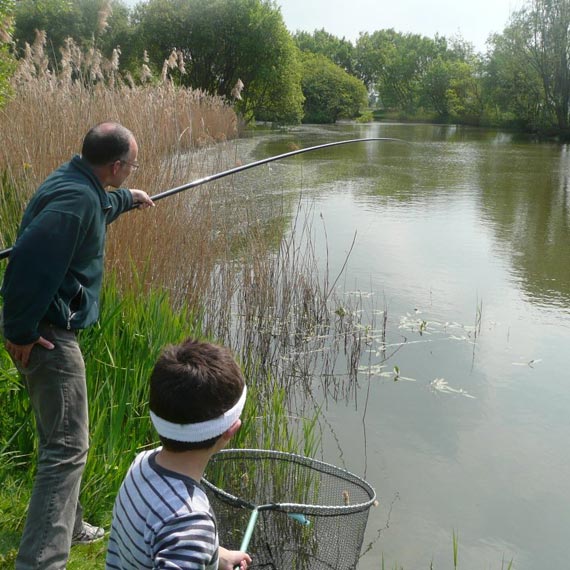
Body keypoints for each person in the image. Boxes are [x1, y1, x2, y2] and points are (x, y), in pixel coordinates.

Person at [0, 121, 155, 569]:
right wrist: (21, 331)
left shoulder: (77, 181)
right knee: (66, 447)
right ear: (115, 165)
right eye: (132, 167)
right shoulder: (75, 200)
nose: (131, 171)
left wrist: (128, 198)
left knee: (63, 435)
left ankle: (70, 524)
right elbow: (27, 264)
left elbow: (97, 205)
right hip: (49, 335)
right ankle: (42, 561)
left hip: (44, 327)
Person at [105, 338, 252, 570]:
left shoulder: (143, 463)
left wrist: (215, 556)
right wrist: (195, 544)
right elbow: (180, 535)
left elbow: (160, 539)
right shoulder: (190, 521)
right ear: (231, 430)